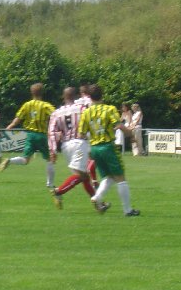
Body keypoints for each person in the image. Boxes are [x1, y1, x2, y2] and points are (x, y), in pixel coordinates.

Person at [78, 84, 140, 216]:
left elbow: (81, 134)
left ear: (89, 97)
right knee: (120, 177)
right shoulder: (109, 109)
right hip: (107, 146)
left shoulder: (86, 112)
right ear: (102, 95)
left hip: (94, 148)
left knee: (108, 177)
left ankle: (96, 197)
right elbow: (118, 125)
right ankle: (128, 210)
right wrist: (131, 134)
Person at [48, 87, 104, 209]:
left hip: (65, 146)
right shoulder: (82, 109)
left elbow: (51, 132)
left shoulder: (56, 113)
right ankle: (58, 191)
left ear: (63, 97)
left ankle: (99, 204)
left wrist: (52, 150)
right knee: (80, 176)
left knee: (84, 176)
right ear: (75, 97)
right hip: (79, 144)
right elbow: (91, 123)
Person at [0, 83, 56, 188]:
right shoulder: (45, 105)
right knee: (50, 159)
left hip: (30, 135)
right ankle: (50, 183)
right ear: (42, 92)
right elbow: (56, 114)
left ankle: (10, 161)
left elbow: (19, 117)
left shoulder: (27, 105)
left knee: (25, 160)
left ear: (31, 93)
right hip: (41, 135)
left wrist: (11, 125)